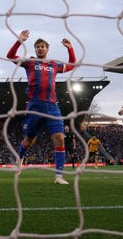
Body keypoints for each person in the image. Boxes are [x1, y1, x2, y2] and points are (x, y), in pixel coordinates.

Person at [6, 29, 76, 185]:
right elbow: (10, 56)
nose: (40, 48)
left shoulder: (54, 65)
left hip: (52, 106)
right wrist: (19, 40)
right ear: (35, 50)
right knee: (29, 141)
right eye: (37, 46)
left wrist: (70, 48)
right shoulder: (30, 62)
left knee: (59, 138)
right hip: (34, 106)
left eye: (43, 46)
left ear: (47, 49)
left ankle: (59, 176)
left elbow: (72, 65)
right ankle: (19, 160)